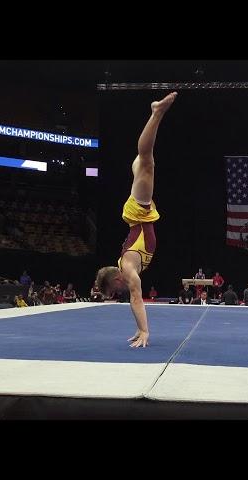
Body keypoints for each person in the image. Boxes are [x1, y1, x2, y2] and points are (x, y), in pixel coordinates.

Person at [94, 92, 178, 348]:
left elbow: (136, 298)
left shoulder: (128, 269)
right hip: (139, 215)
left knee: (146, 161)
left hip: (138, 213)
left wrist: (144, 331)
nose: (120, 294)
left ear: (116, 280)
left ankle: (156, 112)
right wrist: (139, 328)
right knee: (139, 164)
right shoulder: (126, 266)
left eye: (115, 292)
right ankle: (153, 118)